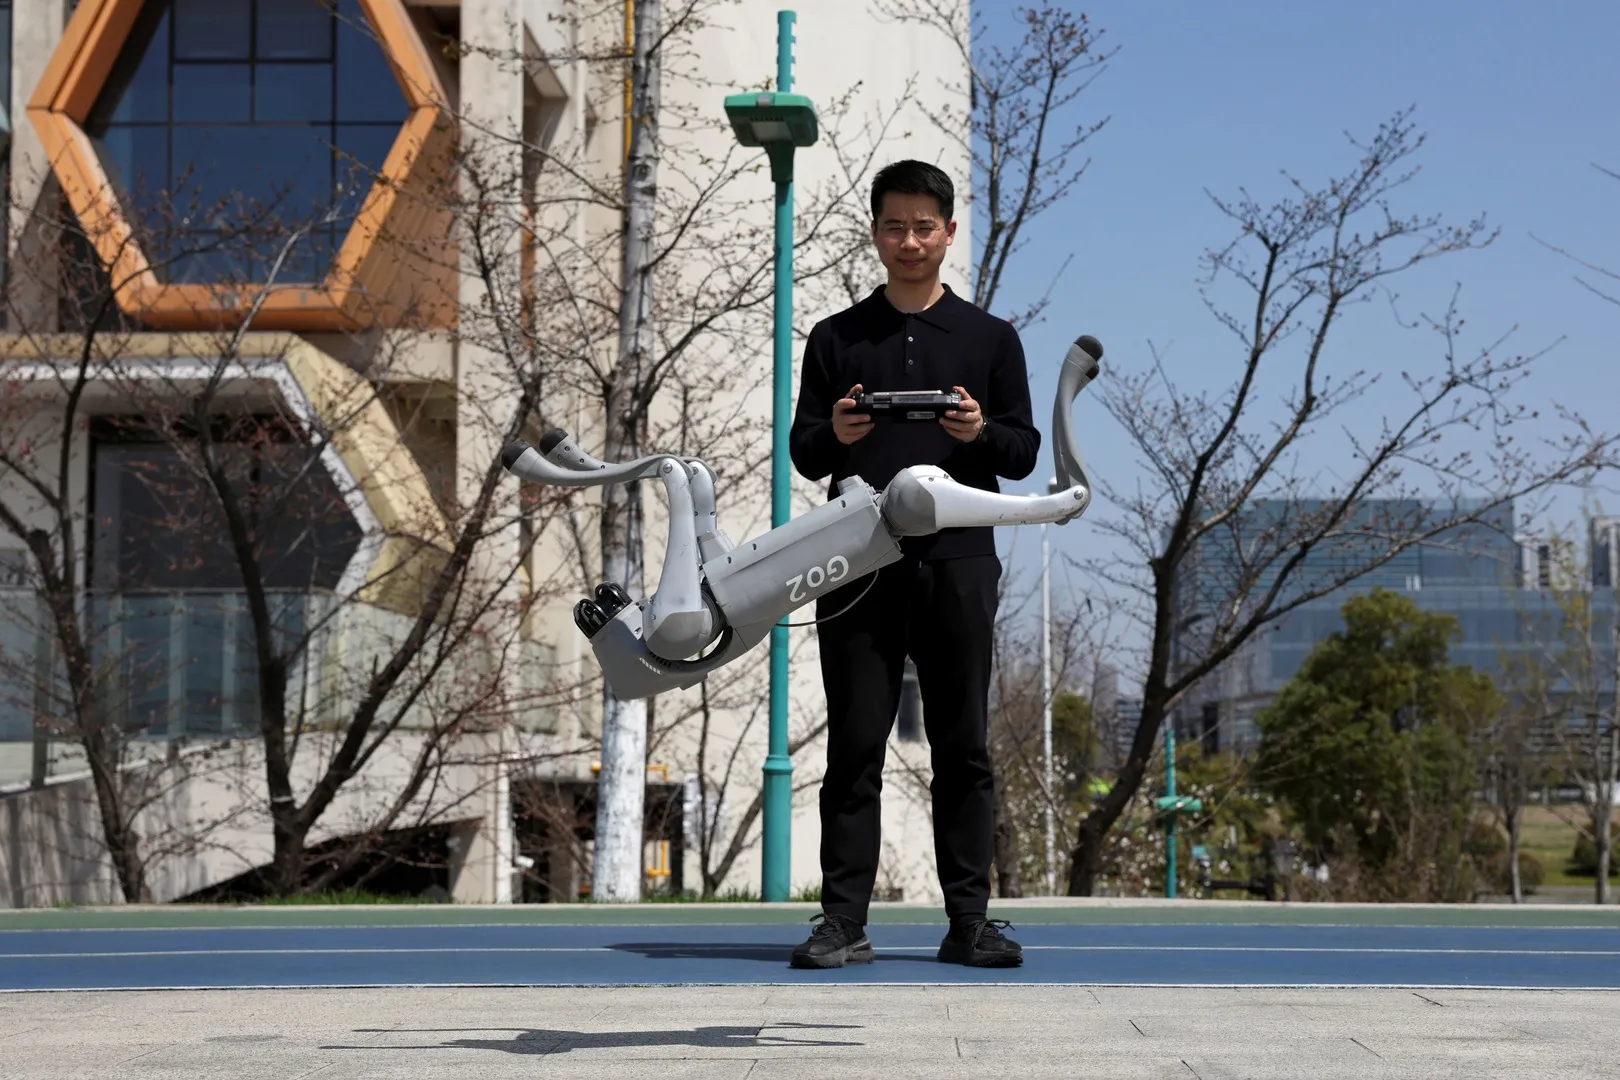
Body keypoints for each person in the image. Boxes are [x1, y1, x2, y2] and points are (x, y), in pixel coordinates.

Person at [785, 160, 1040, 969]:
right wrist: (838, 433)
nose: (909, 241)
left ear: (948, 232)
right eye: (894, 225)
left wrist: (978, 432)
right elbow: (804, 451)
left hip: (961, 561)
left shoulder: (991, 339)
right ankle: (842, 922)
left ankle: (969, 923)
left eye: (924, 226)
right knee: (854, 746)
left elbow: (1023, 452)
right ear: (875, 233)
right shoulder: (836, 337)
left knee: (963, 747)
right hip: (855, 563)